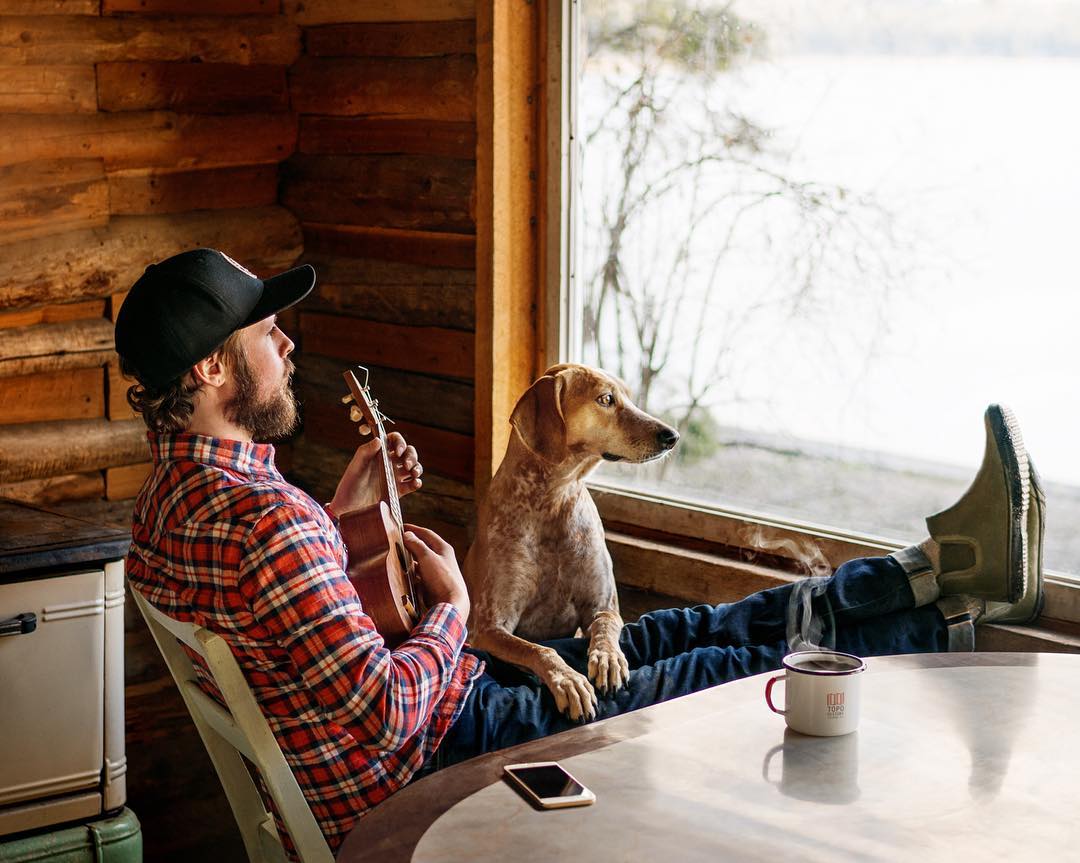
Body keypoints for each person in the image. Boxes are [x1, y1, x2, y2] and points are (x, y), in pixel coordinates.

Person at [116, 248, 1044, 856]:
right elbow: (389, 710)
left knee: (684, 626)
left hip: (430, 720)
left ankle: (934, 575)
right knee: (711, 668)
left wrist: (345, 512)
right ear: (211, 369)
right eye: (265, 333)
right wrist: (453, 609)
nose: (286, 342)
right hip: (445, 750)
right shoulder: (268, 522)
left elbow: (287, 614)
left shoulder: (164, 510)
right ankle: (941, 608)